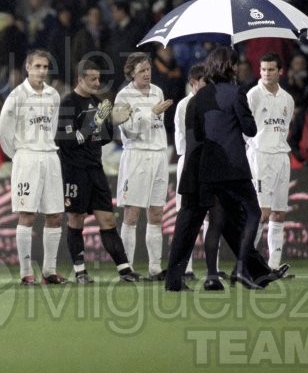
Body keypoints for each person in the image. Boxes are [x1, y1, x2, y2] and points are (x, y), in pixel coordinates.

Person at [165, 47, 287, 292]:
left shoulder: (196, 99)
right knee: (237, 222)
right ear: (229, 67)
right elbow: (249, 129)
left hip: (197, 168)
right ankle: (254, 271)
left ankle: (176, 279)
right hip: (228, 167)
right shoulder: (234, 93)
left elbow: (193, 137)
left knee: (190, 225)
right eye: (235, 64)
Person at [55, 60, 140, 284]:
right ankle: (81, 272)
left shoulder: (97, 102)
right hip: (75, 171)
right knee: (76, 218)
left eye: (98, 78)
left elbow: (101, 140)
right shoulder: (68, 103)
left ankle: (125, 270)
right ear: (80, 79)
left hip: (95, 169)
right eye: (92, 78)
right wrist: (93, 124)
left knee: (108, 220)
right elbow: (66, 142)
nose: (97, 82)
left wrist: (112, 124)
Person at [0, 49, 66, 286]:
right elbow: (3, 132)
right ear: (27, 68)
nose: (42, 71)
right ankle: (26, 272)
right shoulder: (17, 96)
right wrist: (18, 155)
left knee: (55, 215)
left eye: (45, 67)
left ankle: (49, 271)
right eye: (37, 66)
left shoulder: (53, 95)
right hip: (27, 158)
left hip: (50, 157)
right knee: (27, 214)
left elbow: (53, 126)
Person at [114, 52, 173, 280]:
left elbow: (158, 126)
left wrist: (154, 115)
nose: (147, 74)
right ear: (131, 73)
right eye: (142, 71)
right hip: (136, 156)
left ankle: (155, 267)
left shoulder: (158, 91)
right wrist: (152, 112)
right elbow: (129, 130)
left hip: (158, 155)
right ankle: (126, 268)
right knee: (132, 214)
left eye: (148, 69)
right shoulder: (123, 96)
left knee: (156, 213)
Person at [246, 52, 296, 272]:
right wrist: (256, 147)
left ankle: (274, 265)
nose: (266, 73)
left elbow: (285, 127)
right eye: (263, 69)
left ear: (280, 72)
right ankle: (247, 263)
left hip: (281, 158)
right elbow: (245, 130)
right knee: (261, 213)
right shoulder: (253, 95)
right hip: (260, 156)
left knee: (278, 212)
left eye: (271, 69)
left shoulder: (287, 99)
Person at [173, 63, 216, 281]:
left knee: (212, 216)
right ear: (194, 83)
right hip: (190, 162)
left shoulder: (211, 102)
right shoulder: (185, 106)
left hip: (208, 163)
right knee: (186, 217)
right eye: (204, 81)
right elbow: (189, 138)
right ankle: (185, 268)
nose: (208, 85)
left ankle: (212, 269)